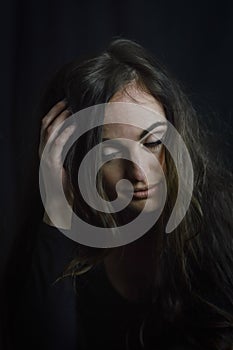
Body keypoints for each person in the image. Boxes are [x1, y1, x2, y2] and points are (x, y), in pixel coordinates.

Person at [12, 39, 233, 349]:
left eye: (153, 142)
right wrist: (56, 203)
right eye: (110, 153)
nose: (139, 174)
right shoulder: (57, 240)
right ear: (74, 160)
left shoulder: (221, 223)